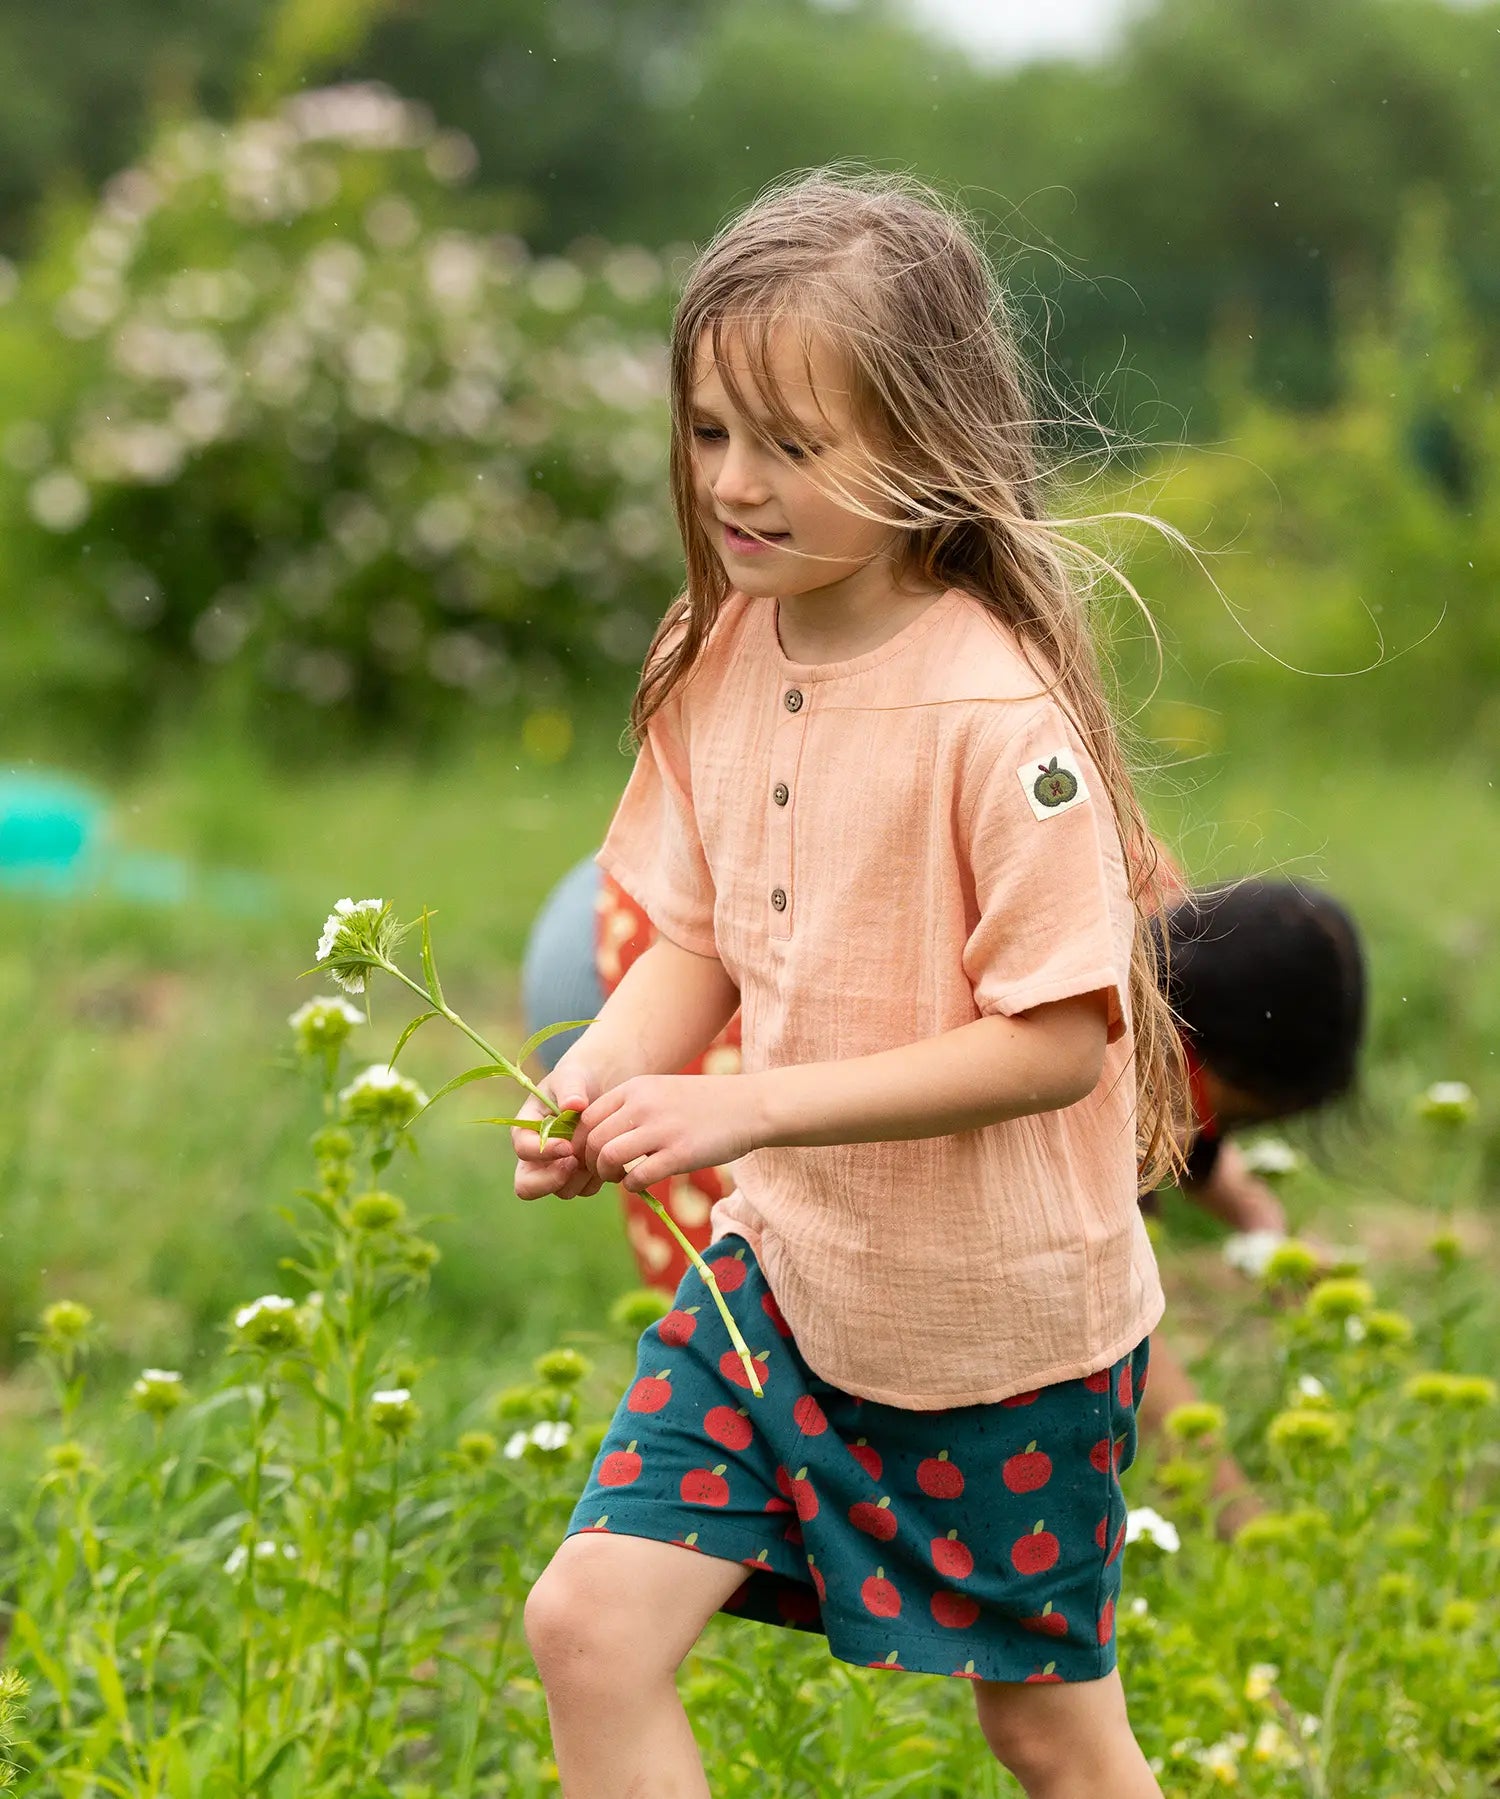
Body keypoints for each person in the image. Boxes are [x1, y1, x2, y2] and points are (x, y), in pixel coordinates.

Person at [511, 168, 1186, 1799]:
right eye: (710, 430)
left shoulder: (992, 713)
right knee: (590, 1625)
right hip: (788, 1278)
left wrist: (744, 1101)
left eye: (793, 447)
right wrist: (597, 1075)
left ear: (929, 445)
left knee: (1048, 1730)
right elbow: (703, 937)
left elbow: (1055, 1043)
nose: (735, 484)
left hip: (1002, 1325)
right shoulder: (714, 648)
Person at [524, 860, 1367, 1539]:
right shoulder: (1090, 1055)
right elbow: (1117, 1313)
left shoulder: (1144, 916)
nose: (1199, 1139)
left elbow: (1188, 1125)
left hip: (633, 882)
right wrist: (1242, 1518)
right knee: (766, 1321)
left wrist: (1263, 1226)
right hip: (634, 972)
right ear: (1206, 1063)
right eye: (1226, 1114)